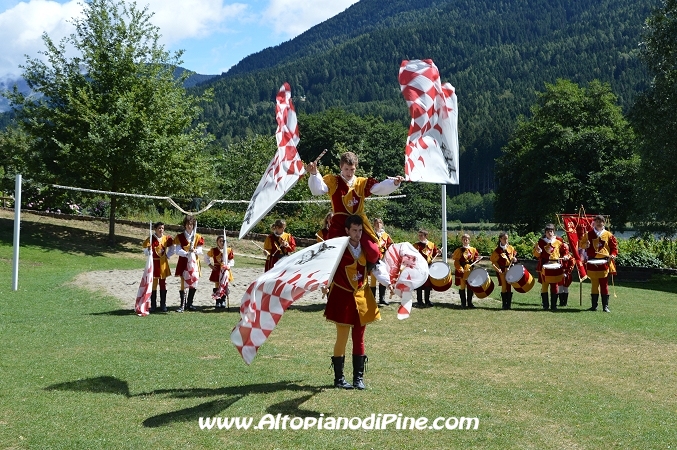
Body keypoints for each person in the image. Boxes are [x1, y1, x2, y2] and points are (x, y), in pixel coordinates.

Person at [323, 214, 391, 390]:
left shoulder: (366, 249)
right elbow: (327, 268)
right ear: (347, 230)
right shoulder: (339, 248)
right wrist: (324, 284)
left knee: (359, 338)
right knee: (342, 338)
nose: (358, 234)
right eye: (354, 230)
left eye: (360, 230)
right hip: (342, 297)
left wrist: (389, 282)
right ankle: (339, 379)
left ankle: (358, 378)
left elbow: (376, 267)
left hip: (362, 297)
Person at [306, 151, 404, 266]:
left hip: (359, 224)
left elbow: (379, 188)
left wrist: (394, 183)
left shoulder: (362, 183)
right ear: (341, 167)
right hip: (339, 223)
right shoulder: (334, 181)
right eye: (346, 169)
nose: (349, 173)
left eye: (352, 169)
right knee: (332, 252)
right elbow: (317, 189)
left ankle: (369, 269)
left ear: (356, 168)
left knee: (373, 251)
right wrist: (314, 174)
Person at [579, 215, 618, 312]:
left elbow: (614, 248)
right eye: (597, 221)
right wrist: (586, 245)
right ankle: (594, 306)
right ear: (594, 223)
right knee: (594, 284)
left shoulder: (608, 235)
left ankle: (605, 306)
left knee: (604, 284)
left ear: (604, 223)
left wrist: (613, 255)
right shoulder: (588, 234)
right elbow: (581, 245)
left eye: (600, 221)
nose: (599, 223)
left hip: (604, 262)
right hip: (592, 262)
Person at [533, 224, 569, 311]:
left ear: (554, 232)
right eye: (548, 231)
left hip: (556, 265)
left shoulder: (559, 241)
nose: (550, 233)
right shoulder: (540, 242)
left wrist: (565, 256)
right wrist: (537, 251)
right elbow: (536, 255)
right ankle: (545, 305)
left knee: (555, 285)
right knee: (545, 285)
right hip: (545, 266)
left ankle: (554, 305)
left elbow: (565, 252)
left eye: (551, 231)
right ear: (545, 232)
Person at [173, 215, 204, 312]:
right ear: (185, 225)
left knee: (194, 282)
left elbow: (200, 250)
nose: (190, 226)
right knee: (183, 282)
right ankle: (182, 304)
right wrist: (187, 254)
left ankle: (190, 303)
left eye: (191, 224)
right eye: (188, 224)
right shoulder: (180, 237)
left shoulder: (198, 237)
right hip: (184, 261)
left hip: (194, 262)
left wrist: (194, 251)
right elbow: (177, 250)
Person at [142, 222, 174, 312]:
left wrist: (167, 256)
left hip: (163, 264)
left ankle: (163, 304)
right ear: (155, 229)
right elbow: (145, 251)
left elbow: (172, 248)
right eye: (159, 228)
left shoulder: (166, 238)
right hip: (154, 264)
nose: (161, 230)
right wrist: (148, 251)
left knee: (163, 284)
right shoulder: (151, 239)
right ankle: (153, 305)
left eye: (162, 228)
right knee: (154, 285)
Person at [413, 228, 441, 307]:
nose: (420, 237)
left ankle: (427, 300)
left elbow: (435, 253)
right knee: (419, 283)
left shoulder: (431, 244)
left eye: (421, 235)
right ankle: (419, 301)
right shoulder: (416, 245)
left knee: (428, 284)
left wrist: (439, 252)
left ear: (425, 236)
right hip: (419, 266)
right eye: (419, 235)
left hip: (428, 266)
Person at [452, 233, 481, 308]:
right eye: (464, 239)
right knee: (462, 286)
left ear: (469, 240)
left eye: (466, 239)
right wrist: (460, 268)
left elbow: (475, 259)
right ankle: (463, 303)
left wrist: (478, 260)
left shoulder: (473, 250)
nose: (465, 240)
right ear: (462, 240)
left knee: (470, 286)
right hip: (462, 269)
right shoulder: (459, 250)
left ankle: (470, 303)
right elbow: (456, 261)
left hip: (470, 269)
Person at [490, 231, 517, 310]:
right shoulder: (497, 251)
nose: (506, 240)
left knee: (509, 285)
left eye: (507, 239)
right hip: (502, 270)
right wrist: (498, 269)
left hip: (510, 269)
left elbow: (513, 257)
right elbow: (493, 262)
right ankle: (504, 304)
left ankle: (508, 305)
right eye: (504, 239)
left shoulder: (510, 248)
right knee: (504, 285)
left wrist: (515, 259)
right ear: (500, 239)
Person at [205, 235, 234, 309]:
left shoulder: (228, 250)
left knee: (224, 284)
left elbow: (231, 260)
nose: (221, 242)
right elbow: (206, 258)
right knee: (217, 285)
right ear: (217, 242)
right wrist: (210, 265)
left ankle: (223, 300)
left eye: (223, 241)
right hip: (217, 270)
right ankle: (218, 301)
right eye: (220, 241)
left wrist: (228, 266)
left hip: (225, 270)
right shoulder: (213, 250)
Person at [370, 218, 394, 306]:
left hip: (383, 259)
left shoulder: (386, 235)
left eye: (379, 223)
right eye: (376, 223)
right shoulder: (371, 234)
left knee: (382, 278)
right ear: (374, 224)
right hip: (373, 259)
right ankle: (372, 299)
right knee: (373, 280)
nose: (378, 224)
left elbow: (390, 245)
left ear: (382, 224)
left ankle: (382, 299)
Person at [558, 242, 575, 307]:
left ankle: (565, 302)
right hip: (560, 273)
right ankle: (561, 302)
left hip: (567, 274)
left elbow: (572, 264)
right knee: (560, 287)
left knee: (565, 287)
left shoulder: (569, 256)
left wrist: (568, 272)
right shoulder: (558, 256)